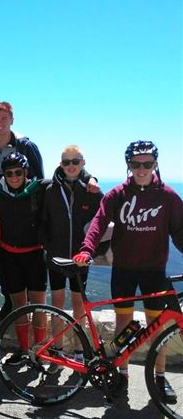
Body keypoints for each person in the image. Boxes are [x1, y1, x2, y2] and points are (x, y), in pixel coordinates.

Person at [74, 140, 183, 401]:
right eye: (136, 164)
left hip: (154, 271)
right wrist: (87, 249)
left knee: (158, 326)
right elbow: (99, 222)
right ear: (128, 165)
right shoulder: (118, 195)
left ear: (156, 164)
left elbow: (180, 232)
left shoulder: (168, 196)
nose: (142, 169)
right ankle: (121, 374)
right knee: (124, 323)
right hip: (123, 269)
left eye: (147, 163)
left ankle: (159, 377)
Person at [0, 101, 44, 321]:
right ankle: (10, 300)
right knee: (1, 261)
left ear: (12, 120)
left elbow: (38, 180)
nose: (0, 123)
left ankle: (22, 309)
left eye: (4, 119)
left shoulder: (26, 145)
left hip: (25, 216)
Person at [42, 145, 103, 370]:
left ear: (83, 163)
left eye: (75, 162)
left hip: (80, 259)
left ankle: (80, 352)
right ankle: (57, 352)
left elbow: (103, 220)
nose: (70, 166)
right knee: (56, 304)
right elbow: (43, 222)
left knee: (79, 305)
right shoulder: (50, 190)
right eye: (66, 162)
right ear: (60, 164)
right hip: (56, 258)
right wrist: (47, 248)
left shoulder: (91, 190)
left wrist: (91, 251)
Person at [0, 152, 49, 365]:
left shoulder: (41, 187)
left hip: (35, 255)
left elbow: (66, 176)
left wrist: (91, 178)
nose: (13, 177)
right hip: (9, 257)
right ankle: (24, 350)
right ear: (3, 175)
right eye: (9, 173)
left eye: (18, 172)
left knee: (39, 306)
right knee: (19, 307)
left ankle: (39, 351)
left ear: (25, 172)